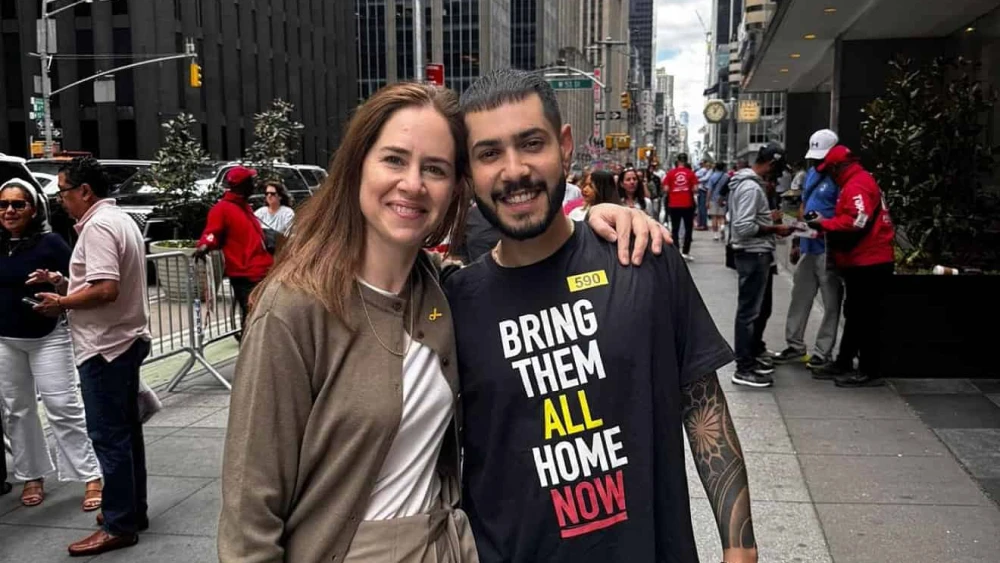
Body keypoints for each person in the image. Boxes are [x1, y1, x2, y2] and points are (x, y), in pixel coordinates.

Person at [217, 82, 666, 563]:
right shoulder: (296, 308)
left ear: (456, 187)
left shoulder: (443, 288)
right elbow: (250, 518)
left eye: (434, 168)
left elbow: (519, 271)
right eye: (394, 160)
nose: (413, 184)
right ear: (355, 168)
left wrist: (596, 218)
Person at [448, 68, 759, 563]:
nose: (514, 170)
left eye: (532, 143)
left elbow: (703, 406)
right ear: (468, 171)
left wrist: (740, 550)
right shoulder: (453, 301)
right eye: (489, 153)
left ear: (564, 145)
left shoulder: (643, 258)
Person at [30, 157, 151, 556]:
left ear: (85, 191)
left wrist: (61, 300)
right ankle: (131, 510)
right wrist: (64, 282)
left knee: (110, 437)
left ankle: (119, 523)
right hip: (123, 340)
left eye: (64, 191)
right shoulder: (120, 220)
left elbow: (105, 289)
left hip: (105, 347)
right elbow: (98, 283)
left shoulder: (98, 227)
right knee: (126, 434)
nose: (61, 199)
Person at [0, 178, 103, 511]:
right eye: (3, 205)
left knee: (63, 408)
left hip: (48, 338)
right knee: (18, 410)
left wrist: (57, 283)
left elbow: (80, 285)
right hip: (6, 341)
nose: (9, 211)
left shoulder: (52, 243)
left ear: (34, 209)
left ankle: (91, 477)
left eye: (18, 204)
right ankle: (32, 475)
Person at [807, 145, 896, 388]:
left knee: (866, 316)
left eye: (831, 169)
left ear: (838, 166)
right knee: (856, 314)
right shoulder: (857, 181)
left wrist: (826, 223)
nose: (830, 174)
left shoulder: (857, 184)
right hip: (865, 259)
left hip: (870, 260)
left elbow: (858, 219)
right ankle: (844, 362)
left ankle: (869, 370)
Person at [773, 130, 844, 371]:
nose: (817, 162)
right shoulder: (812, 174)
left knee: (831, 302)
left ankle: (823, 352)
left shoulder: (840, 178)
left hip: (828, 247)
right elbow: (803, 205)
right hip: (808, 245)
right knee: (800, 297)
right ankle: (795, 345)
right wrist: (796, 241)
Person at [727, 143, 796, 388]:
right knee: (748, 313)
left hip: (756, 255)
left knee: (756, 310)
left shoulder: (752, 186)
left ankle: (751, 359)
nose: (778, 177)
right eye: (778, 170)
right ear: (772, 164)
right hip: (752, 255)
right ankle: (743, 368)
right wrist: (774, 228)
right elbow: (743, 227)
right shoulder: (750, 188)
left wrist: (769, 218)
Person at [194, 166, 274, 328]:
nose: (254, 184)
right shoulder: (223, 209)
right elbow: (212, 233)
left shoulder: (243, 206)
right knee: (253, 316)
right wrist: (204, 245)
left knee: (259, 315)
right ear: (241, 185)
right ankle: (250, 349)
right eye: (250, 181)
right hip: (245, 272)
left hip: (260, 269)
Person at [664, 153, 699, 260]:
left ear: (677, 161)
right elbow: (695, 189)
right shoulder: (691, 173)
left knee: (675, 228)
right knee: (688, 228)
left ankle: (676, 251)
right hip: (687, 204)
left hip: (674, 204)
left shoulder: (670, 173)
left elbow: (665, 189)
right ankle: (685, 252)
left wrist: (674, 190)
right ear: (686, 160)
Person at [707, 161, 729, 240]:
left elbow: (709, 190)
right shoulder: (726, 176)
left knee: (714, 217)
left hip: (713, 199)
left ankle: (715, 235)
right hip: (724, 199)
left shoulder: (712, 176)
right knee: (722, 217)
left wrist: (707, 201)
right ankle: (722, 227)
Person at [695, 159, 713, 230]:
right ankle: (700, 223)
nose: (702, 165)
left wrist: (698, 179)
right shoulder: (703, 170)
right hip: (700, 189)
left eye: (703, 164)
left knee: (703, 208)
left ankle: (703, 224)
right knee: (700, 208)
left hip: (704, 190)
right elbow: (696, 174)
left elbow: (706, 178)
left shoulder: (709, 171)